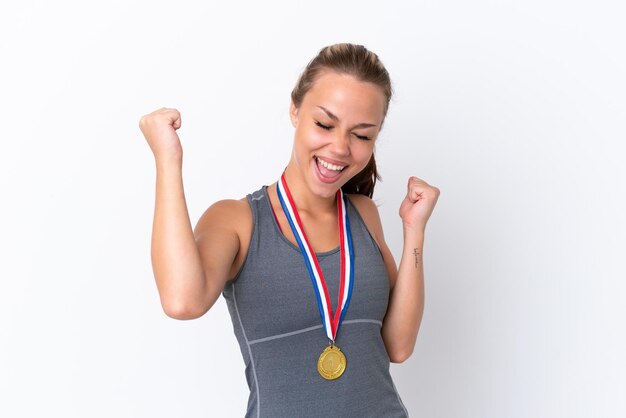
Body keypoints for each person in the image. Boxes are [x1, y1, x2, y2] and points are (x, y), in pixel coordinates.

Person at [139, 43, 440, 417]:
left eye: (361, 135)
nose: (340, 148)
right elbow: (183, 301)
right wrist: (169, 160)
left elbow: (398, 345)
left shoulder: (362, 215)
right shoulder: (238, 221)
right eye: (325, 124)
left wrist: (414, 231)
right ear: (295, 109)